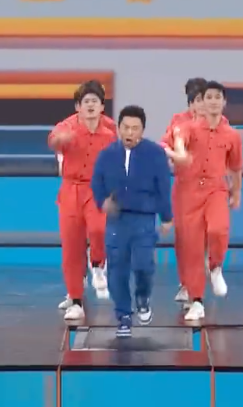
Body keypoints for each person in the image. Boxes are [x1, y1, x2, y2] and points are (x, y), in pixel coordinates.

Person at [91, 105, 174, 338]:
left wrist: (166, 217)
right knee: (117, 270)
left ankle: (143, 298)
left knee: (143, 265)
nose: (130, 132)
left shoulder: (155, 154)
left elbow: (164, 187)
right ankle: (124, 316)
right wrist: (102, 202)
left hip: (144, 219)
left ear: (143, 130)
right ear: (118, 128)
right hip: (117, 220)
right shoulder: (106, 155)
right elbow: (96, 183)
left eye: (135, 128)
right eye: (125, 127)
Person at [165, 81, 243, 323]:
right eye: (208, 97)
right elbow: (177, 141)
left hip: (215, 189)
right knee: (192, 246)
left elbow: (235, 167)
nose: (212, 101)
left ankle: (216, 266)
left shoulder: (231, 134)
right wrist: (179, 153)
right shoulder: (186, 127)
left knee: (218, 229)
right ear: (201, 102)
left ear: (224, 102)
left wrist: (237, 192)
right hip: (188, 191)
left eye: (217, 97)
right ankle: (196, 300)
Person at [49, 81, 117, 320]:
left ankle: (97, 264)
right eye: (86, 101)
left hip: (97, 189)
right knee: (72, 246)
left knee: (98, 230)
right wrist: (61, 140)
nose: (90, 106)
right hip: (71, 189)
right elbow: (53, 139)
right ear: (78, 106)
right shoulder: (67, 126)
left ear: (102, 106)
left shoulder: (110, 132)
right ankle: (75, 299)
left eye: (94, 101)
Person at [160, 78, 207, 304]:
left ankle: (204, 269)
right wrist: (174, 156)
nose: (200, 104)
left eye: (203, 98)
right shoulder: (178, 121)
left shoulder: (219, 120)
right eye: (195, 99)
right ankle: (186, 283)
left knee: (208, 233)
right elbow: (164, 144)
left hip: (209, 186)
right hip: (184, 185)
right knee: (184, 237)